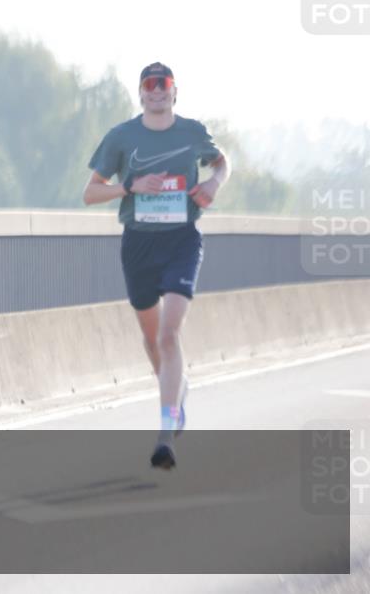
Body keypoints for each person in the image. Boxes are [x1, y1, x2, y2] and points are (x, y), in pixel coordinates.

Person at [82, 62, 231, 469]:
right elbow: (90, 193)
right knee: (152, 341)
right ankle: (176, 390)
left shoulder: (193, 132)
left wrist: (213, 183)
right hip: (139, 244)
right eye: (149, 85)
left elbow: (222, 162)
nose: (157, 91)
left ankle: (166, 432)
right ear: (141, 93)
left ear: (174, 91)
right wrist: (128, 186)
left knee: (169, 334)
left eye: (164, 84)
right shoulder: (121, 137)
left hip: (182, 240)